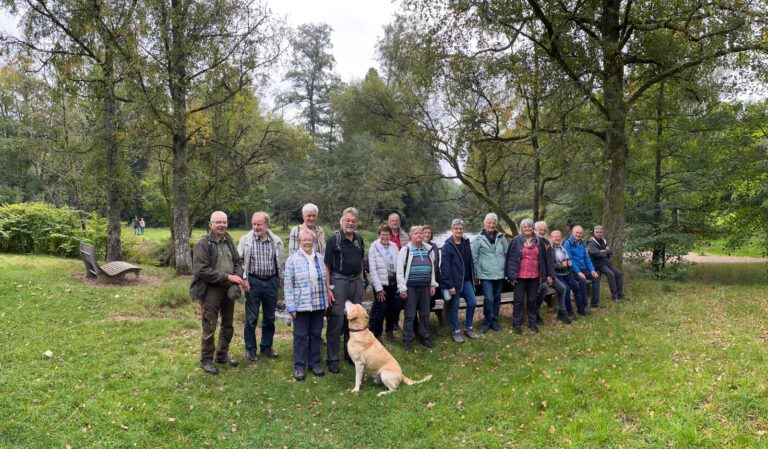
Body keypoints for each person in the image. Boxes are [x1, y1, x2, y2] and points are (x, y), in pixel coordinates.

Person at [190, 211, 248, 375]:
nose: (222, 225)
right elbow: (201, 270)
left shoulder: (228, 240)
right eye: (218, 222)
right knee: (210, 325)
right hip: (211, 290)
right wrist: (227, 276)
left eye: (224, 222)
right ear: (210, 224)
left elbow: (237, 261)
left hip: (229, 289)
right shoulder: (203, 244)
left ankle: (222, 355)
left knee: (228, 324)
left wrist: (237, 275)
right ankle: (206, 360)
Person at [237, 211, 285, 362]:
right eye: (253, 224)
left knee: (270, 317)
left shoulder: (276, 241)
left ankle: (266, 347)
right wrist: (244, 278)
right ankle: (250, 349)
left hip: (271, 281)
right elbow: (239, 262)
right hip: (253, 281)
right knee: (251, 318)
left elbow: (280, 263)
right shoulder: (245, 240)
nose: (255, 227)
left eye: (259, 224)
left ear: (266, 224)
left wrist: (279, 281)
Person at [324, 207, 365, 373]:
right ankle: (332, 359)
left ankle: (350, 355)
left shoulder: (359, 239)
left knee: (354, 319)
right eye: (347, 220)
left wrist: (362, 282)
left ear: (356, 223)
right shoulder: (334, 239)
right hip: (339, 281)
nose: (350, 223)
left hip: (356, 282)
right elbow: (327, 266)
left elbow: (361, 261)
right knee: (336, 320)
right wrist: (327, 287)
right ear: (342, 222)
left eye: (353, 221)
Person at [284, 230, 327, 381]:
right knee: (301, 336)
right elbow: (288, 285)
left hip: (318, 303)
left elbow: (324, 282)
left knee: (316, 335)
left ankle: (314, 364)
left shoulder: (319, 258)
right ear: (299, 242)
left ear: (313, 241)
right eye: (304, 240)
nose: (307, 242)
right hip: (301, 305)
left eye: (310, 239)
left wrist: (325, 303)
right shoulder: (292, 260)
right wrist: (291, 306)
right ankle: (300, 366)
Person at [504, 218, 555, 334]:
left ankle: (532, 323)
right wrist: (510, 276)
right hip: (519, 277)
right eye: (524, 227)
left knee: (532, 300)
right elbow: (510, 259)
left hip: (535, 276)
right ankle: (516, 324)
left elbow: (544, 259)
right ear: (521, 229)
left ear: (533, 228)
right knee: (518, 301)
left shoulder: (539, 242)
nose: (527, 229)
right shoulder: (516, 240)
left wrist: (547, 275)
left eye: (529, 226)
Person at [396, 225, 438, 351]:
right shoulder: (405, 250)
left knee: (425, 313)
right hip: (411, 287)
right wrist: (402, 288)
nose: (419, 235)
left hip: (425, 286)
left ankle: (424, 336)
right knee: (410, 314)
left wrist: (433, 284)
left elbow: (432, 270)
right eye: (416, 233)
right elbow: (399, 271)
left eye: (420, 233)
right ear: (411, 236)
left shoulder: (429, 250)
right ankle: (407, 339)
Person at [441, 219, 478, 343]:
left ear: (463, 230)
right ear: (452, 230)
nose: (458, 231)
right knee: (454, 306)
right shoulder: (447, 246)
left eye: (460, 228)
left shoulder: (466, 243)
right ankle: (455, 331)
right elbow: (444, 268)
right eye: (456, 228)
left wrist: (474, 278)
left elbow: (470, 263)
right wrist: (450, 285)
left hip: (467, 280)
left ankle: (468, 328)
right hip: (454, 283)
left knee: (472, 303)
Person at [471, 213, 508, 334]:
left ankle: (494, 321)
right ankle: (487, 322)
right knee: (488, 298)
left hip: (499, 273)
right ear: (485, 224)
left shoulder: (501, 237)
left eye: (493, 223)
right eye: (489, 223)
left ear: (496, 224)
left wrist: (507, 271)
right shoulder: (478, 239)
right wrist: (475, 275)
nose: (491, 225)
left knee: (497, 298)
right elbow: (474, 258)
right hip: (485, 274)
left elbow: (507, 253)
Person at [534, 221, 571, 325]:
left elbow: (550, 262)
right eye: (540, 229)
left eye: (544, 229)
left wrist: (550, 276)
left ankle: (561, 312)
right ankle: (535, 313)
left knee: (562, 288)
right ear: (535, 230)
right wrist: (544, 277)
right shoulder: (533, 242)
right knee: (544, 288)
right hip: (537, 276)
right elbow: (539, 262)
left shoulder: (546, 242)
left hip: (549, 275)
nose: (542, 231)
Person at [368, 224, 399, 342]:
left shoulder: (394, 246)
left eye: (387, 234)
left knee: (391, 309)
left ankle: (389, 331)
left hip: (392, 283)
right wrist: (379, 289)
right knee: (381, 309)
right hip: (380, 284)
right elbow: (373, 269)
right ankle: (377, 334)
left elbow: (398, 265)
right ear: (379, 235)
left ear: (390, 235)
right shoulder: (373, 247)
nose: (385, 237)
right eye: (383, 234)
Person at [564, 225, 600, 314]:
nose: (578, 234)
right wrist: (578, 272)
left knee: (595, 277)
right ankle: (584, 306)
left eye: (580, 233)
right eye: (577, 232)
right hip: (573, 270)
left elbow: (586, 258)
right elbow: (570, 259)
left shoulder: (582, 243)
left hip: (583, 268)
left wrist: (592, 269)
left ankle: (594, 303)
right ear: (573, 232)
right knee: (582, 280)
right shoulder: (568, 243)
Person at [588, 225, 629, 302]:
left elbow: (611, 251)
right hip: (598, 264)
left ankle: (620, 294)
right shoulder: (591, 242)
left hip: (606, 262)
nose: (599, 233)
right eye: (597, 232)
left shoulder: (604, 240)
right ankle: (615, 296)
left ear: (602, 232)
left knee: (619, 274)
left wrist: (604, 251)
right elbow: (595, 253)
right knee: (611, 274)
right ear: (594, 232)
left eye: (600, 232)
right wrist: (604, 251)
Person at [551, 230, 583, 322]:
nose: (557, 238)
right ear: (552, 238)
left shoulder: (562, 247)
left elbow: (567, 258)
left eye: (559, 236)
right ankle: (570, 312)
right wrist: (561, 265)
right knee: (567, 289)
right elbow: (550, 265)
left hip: (567, 273)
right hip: (557, 275)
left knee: (576, 287)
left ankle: (580, 309)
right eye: (555, 236)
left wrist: (569, 261)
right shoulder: (550, 249)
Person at [386, 212, 409, 332]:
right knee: (390, 299)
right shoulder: (385, 236)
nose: (395, 222)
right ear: (389, 222)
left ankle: (395, 321)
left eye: (397, 220)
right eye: (392, 221)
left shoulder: (405, 236)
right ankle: (391, 323)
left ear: (399, 222)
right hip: (389, 273)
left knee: (401, 299)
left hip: (402, 273)